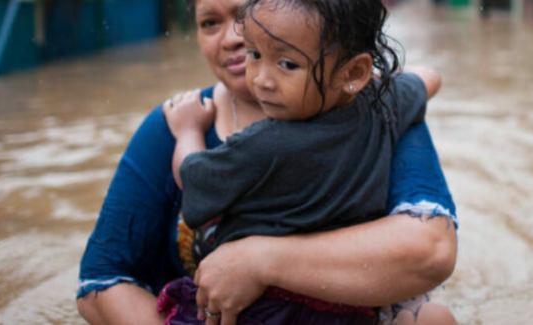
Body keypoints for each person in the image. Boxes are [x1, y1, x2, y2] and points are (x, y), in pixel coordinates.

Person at [75, 0, 458, 324]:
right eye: (210, 23)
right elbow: (102, 280)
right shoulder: (382, 104)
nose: (232, 39)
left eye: (242, 16)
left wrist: (261, 261)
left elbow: (430, 251)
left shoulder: (219, 134)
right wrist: (375, 81)